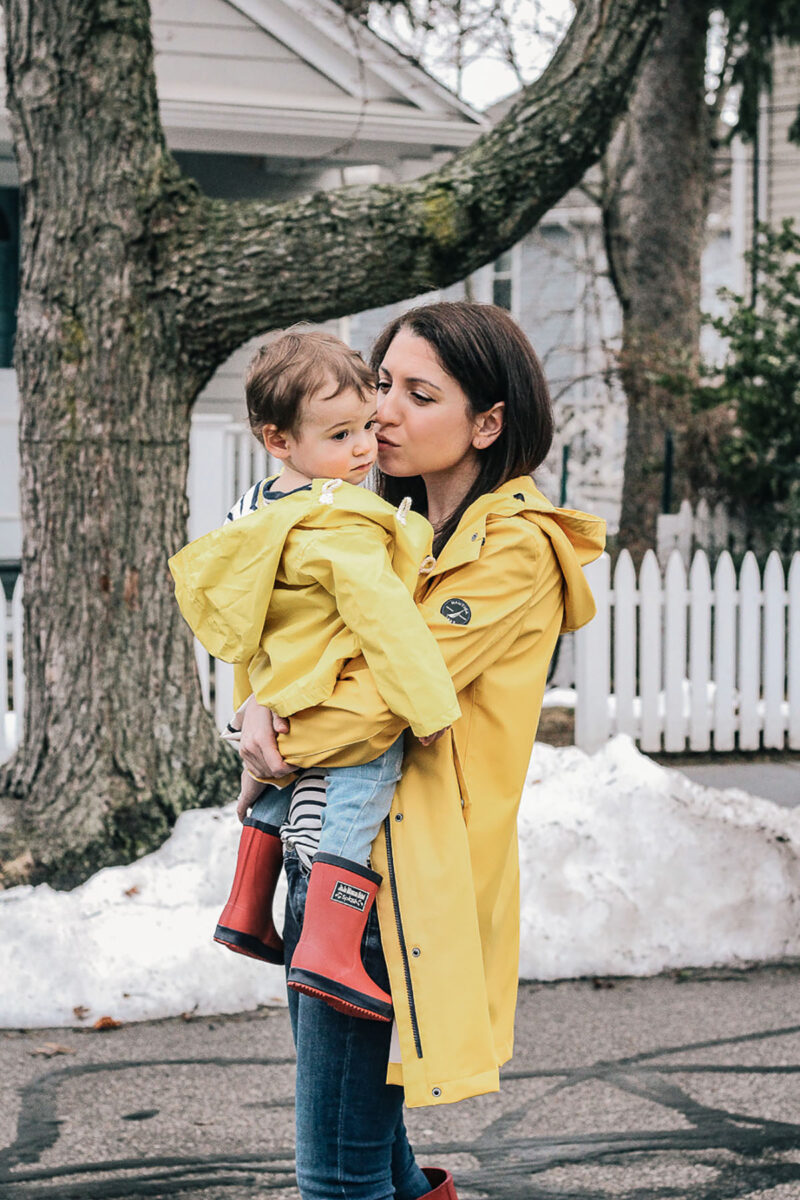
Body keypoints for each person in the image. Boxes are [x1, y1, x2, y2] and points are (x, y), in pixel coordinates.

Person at [235, 301, 607, 1200]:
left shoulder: (513, 549)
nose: (383, 409)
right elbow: (293, 640)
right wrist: (260, 694)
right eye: (382, 382)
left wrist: (264, 723)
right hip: (335, 863)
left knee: (337, 1170)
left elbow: (372, 711)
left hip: (391, 886)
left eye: (418, 393)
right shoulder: (386, 530)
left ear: (487, 423)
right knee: (370, 1151)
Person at [169, 331, 460, 1022]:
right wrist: (430, 709)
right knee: (361, 793)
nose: (364, 446)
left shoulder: (259, 509)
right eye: (340, 434)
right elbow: (386, 619)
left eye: (366, 426)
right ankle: (330, 949)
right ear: (278, 439)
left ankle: (246, 907)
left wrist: (253, 706)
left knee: (275, 797)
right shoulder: (342, 523)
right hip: (328, 687)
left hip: (279, 684)